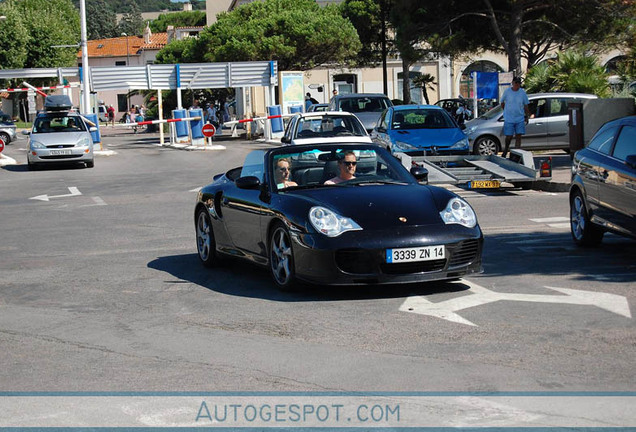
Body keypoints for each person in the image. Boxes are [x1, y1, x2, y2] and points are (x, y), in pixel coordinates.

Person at [500, 76, 530, 158]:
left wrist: (527, 116)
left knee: (518, 136)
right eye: (515, 83)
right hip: (509, 118)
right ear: (512, 83)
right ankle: (506, 150)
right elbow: (502, 102)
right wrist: (505, 111)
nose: (517, 85)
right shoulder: (507, 92)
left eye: (518, 83)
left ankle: (517, 153)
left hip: (519, 118)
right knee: (509, 136)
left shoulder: (522, 93)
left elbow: (525, 105)